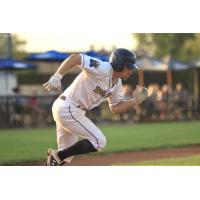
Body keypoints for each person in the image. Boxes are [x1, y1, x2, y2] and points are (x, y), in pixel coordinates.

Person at [43, 48, 148, 166]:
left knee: (64, 161)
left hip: (71, 110)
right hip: (68, 107)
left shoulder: (117, 83)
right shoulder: (102, 68)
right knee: (99, 141)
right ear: (120, 65)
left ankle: (56, 159)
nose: (131, 71)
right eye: (129, 67)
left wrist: (134, 101)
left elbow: (116, 108)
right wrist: (57, 76)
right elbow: (76, 58)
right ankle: (57, 155)